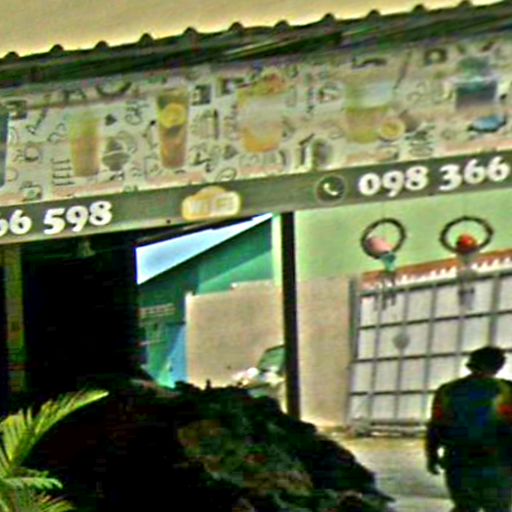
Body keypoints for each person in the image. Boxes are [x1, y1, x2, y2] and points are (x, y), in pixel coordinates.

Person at [426, 346, 512, 512]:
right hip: (497, 461)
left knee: (465, 506)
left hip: (458, 459)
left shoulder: (447, 390)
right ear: (499, 366)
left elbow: (436, 426)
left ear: (470, 364)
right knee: (497, 507)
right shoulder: (507, 391)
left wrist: (432, 455)